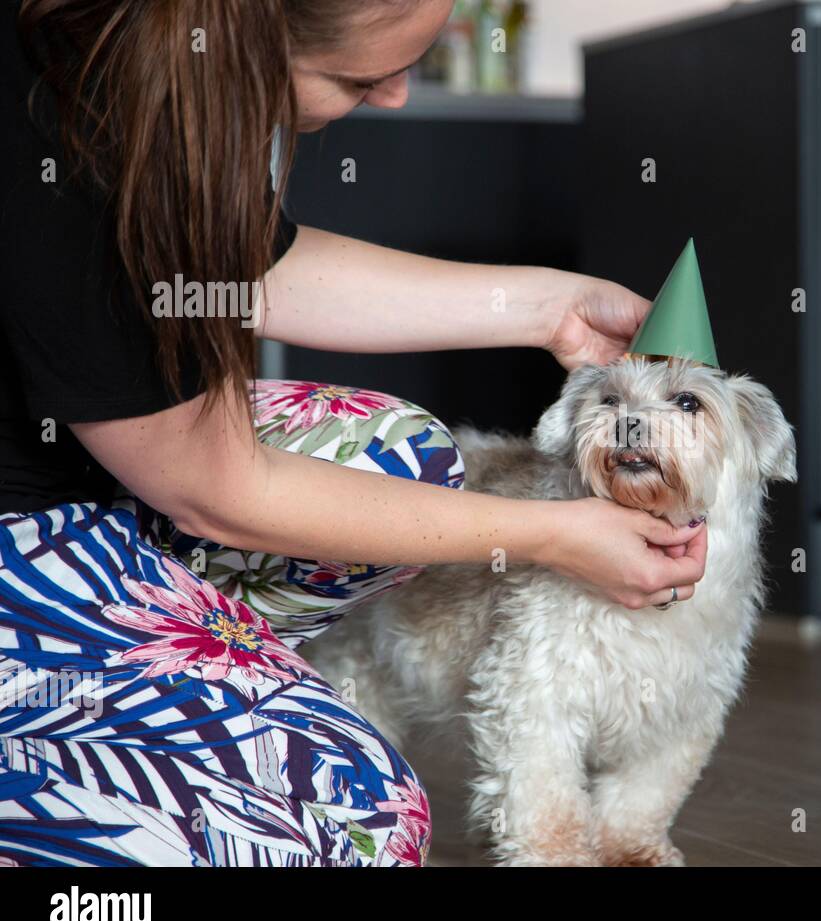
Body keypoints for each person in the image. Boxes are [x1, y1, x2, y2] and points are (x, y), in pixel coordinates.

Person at [0, 0, 707, 866]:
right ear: (242, 36)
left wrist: (548, 306)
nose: (399, 98)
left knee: (404, 454)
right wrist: (556, 536)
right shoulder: (56, 132)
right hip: (25, 537)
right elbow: (216, 488)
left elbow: (255, 268)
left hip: (89, 485)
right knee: (357, 825)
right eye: (363, 80)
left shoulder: (159, 93)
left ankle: (171, 687)